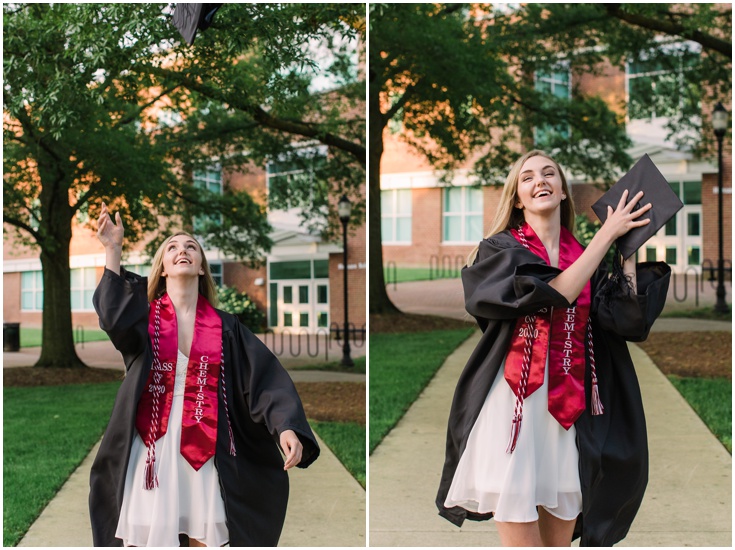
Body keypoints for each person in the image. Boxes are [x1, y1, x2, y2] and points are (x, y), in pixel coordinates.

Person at [435, 150, 671, 546]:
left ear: (563, 191)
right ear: (517, 198)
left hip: (567, 417)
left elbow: (628, 323)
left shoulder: (584, 256)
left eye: (549, 174)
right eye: (527, 178)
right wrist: (605, 237)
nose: (539, 181)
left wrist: (627, 249)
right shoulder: (498, 252)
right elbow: (552, 293)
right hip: (514, 413)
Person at [90, 202, 320, 547]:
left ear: (200, 268)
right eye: (172, 247)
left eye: (190, 247)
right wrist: (113, 250)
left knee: (205, 535)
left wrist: (285, 425)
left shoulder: (226, 327)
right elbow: (111, 317)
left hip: (207, 444)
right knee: (149, 534)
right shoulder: (145, 320)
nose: (181, 250)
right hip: (152, 446)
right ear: (163, 268)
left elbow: (263, 379)